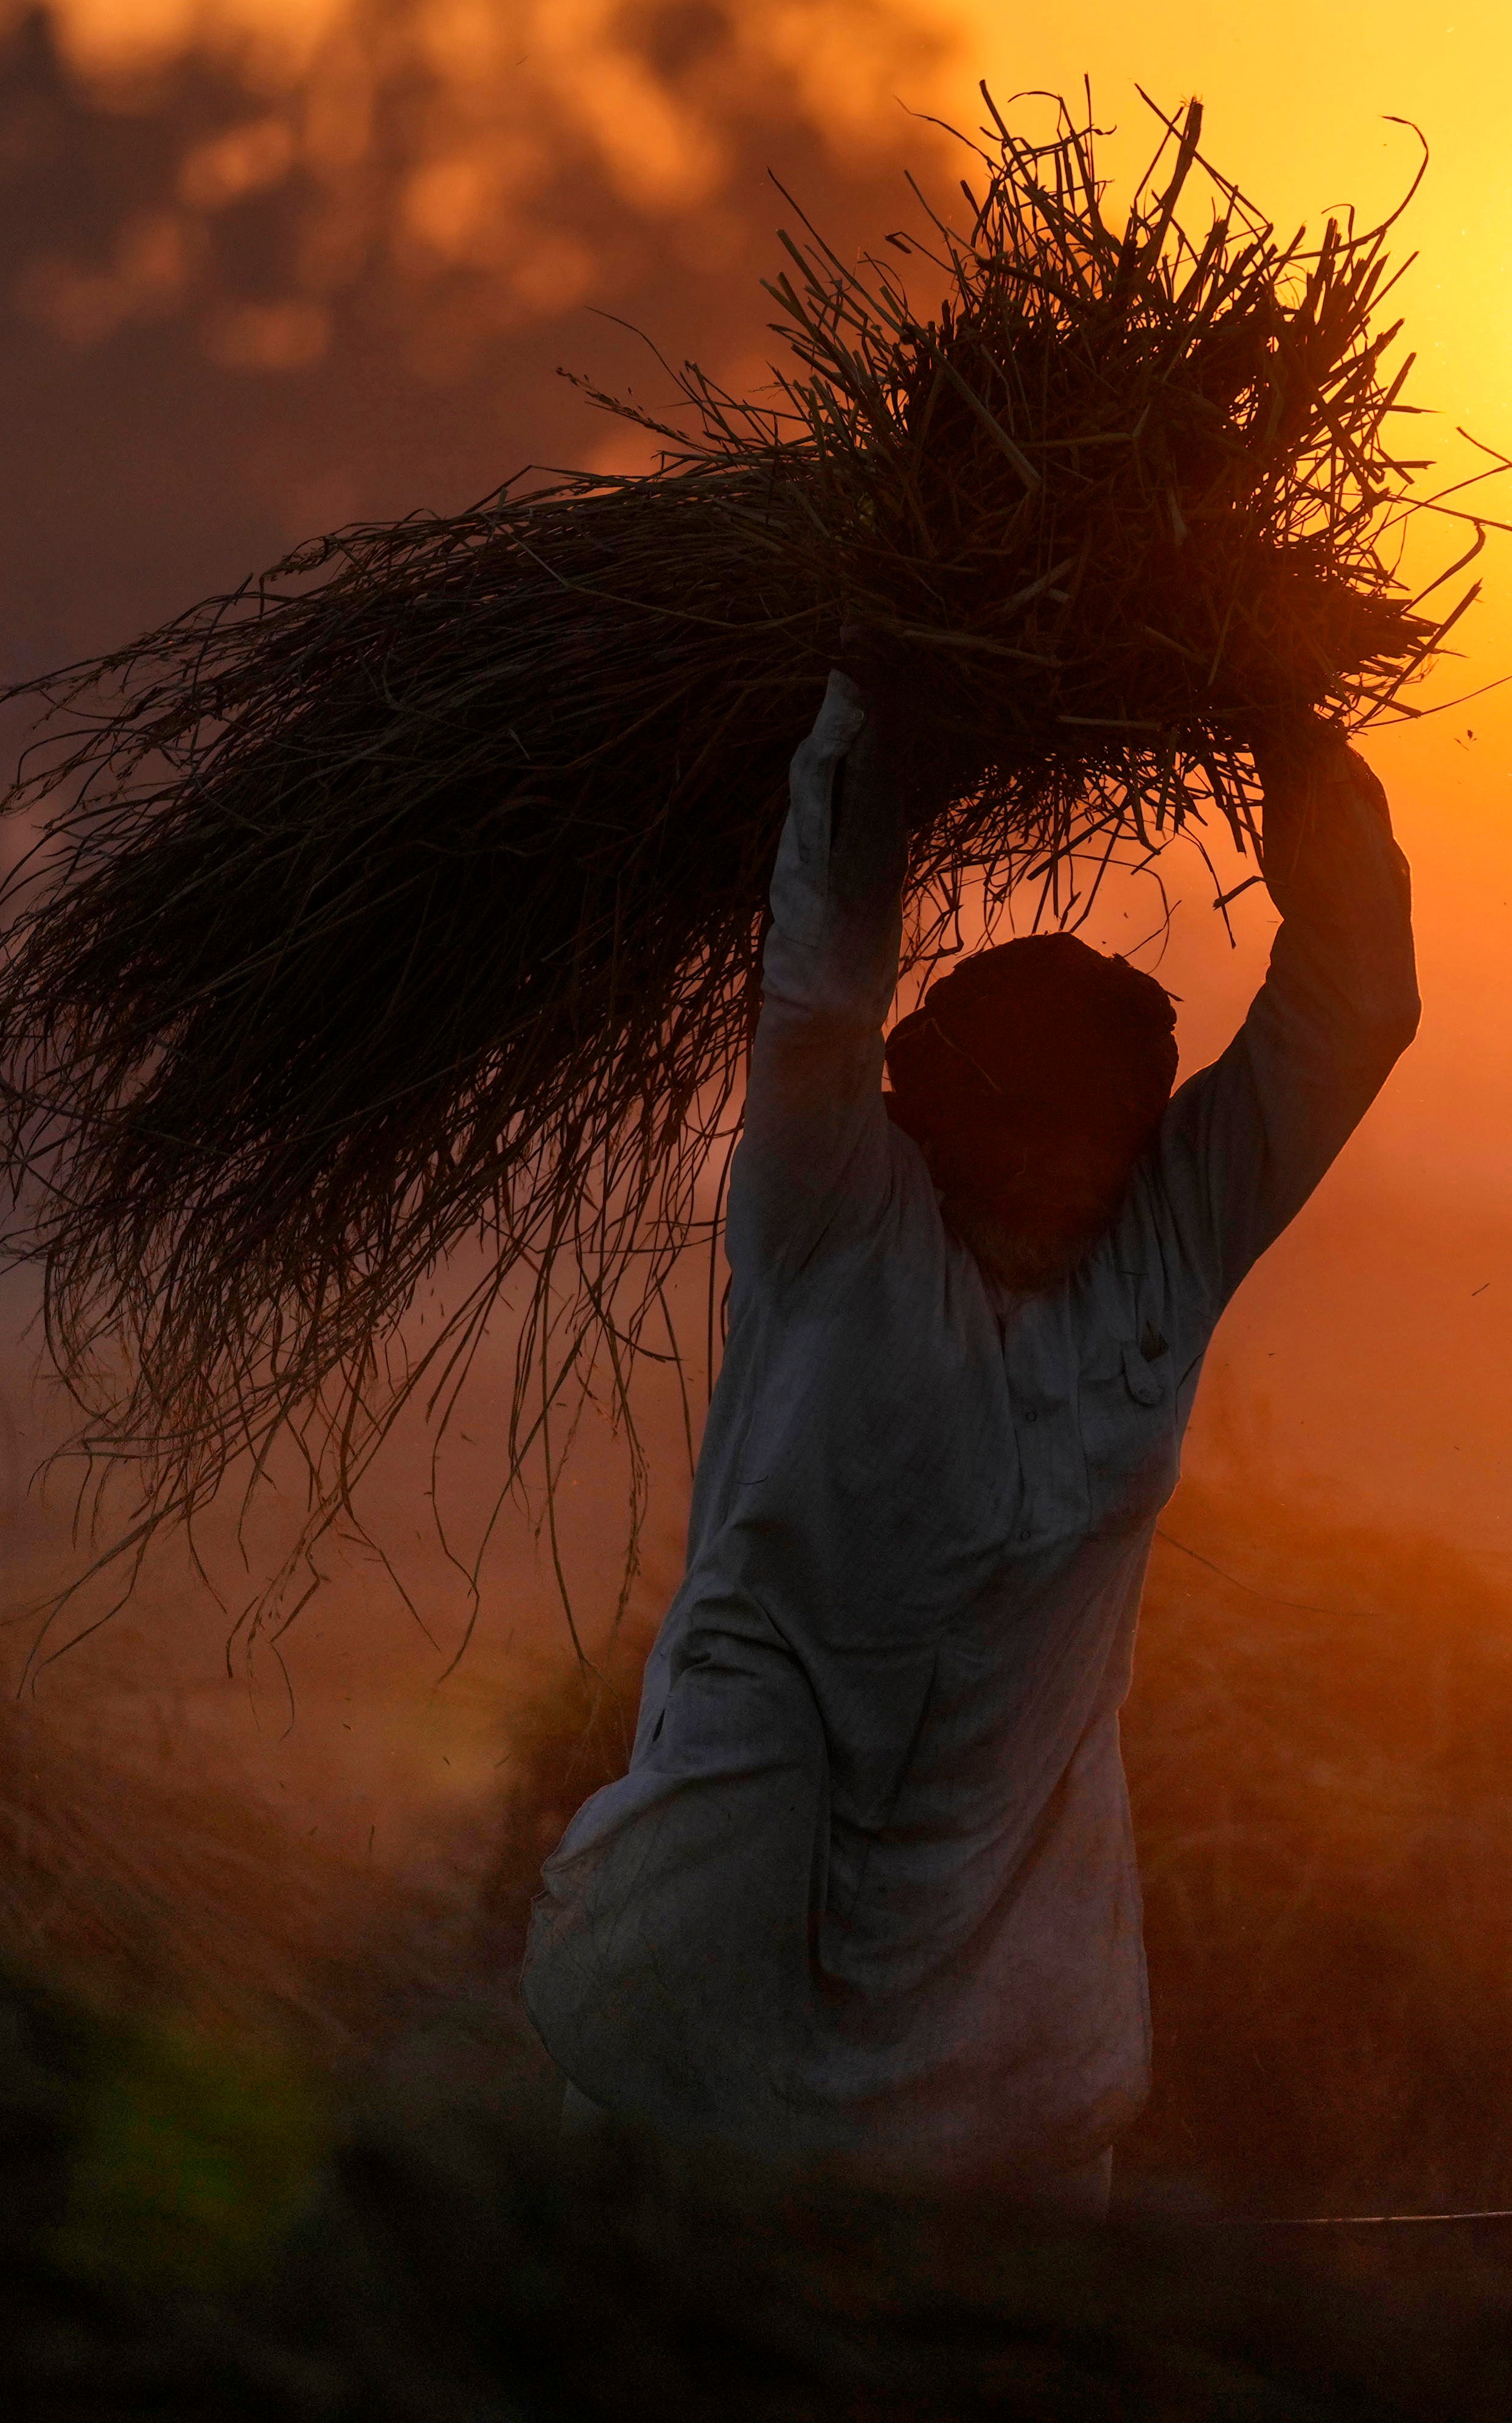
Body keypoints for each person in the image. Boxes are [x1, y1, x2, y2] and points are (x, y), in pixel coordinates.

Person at [523, 650, 1418, 2208]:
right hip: (715, 1966)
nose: (1080, 1162)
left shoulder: (1170, 1242)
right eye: (1039, 1118)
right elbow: (819, 978)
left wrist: (1278, 703)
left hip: (1007, 2032)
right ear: (942, 1111)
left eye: (1111, 1126)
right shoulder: (833, 1219)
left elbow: (1355, 999)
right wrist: (885, 681)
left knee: (975, 2390)